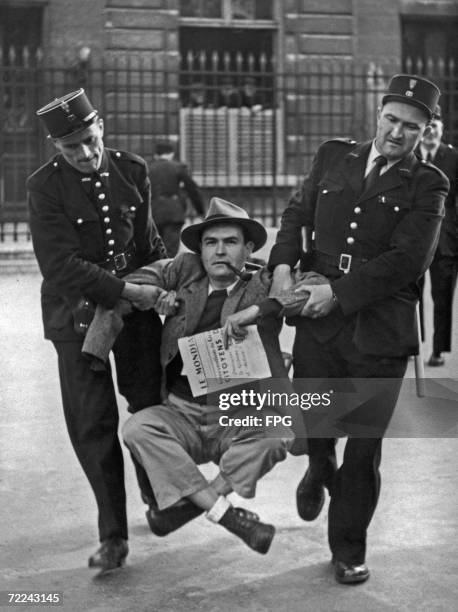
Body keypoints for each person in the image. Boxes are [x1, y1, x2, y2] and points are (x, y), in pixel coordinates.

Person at [268, 74, 449, 583]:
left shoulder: (429, 183)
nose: (396, 133)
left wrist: (340, 295)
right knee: (319, 424)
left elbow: (409, 259)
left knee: (364, 445)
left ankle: (348, 548)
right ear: (378, 113)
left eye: (411, 127)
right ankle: (318, 467)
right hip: (316, 325)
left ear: (425, 131)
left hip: (380, 328)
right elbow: (295, 213)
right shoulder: (333, 156)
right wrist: (282, 264)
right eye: (391, 119)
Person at [27, 88, 168, 571]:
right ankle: (114, 536)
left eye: (90, 140)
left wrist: (166, 284)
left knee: (149, 403)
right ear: (56, 149)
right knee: (94, 424)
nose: (86, 154)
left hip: (135, 314)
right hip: (76, 316)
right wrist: (129, 292)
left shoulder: (132, 170)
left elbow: (149, 245)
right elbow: (60, 266)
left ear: (101, 126)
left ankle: (156, 492)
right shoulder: (44, 187)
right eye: (72, 148)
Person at [121, 198, 293, 554]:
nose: (219, 252)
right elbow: (130, 283)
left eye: (230, 242)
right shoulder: (183, 272)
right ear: (199, 249)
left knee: (277, 435)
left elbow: (303, 291)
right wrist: (156, 296)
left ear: (248, 249)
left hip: (233, 416)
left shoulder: (261, 282)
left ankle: (193, 505)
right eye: (210, 243)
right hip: (181, 412)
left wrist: (263, 306)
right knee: (138, 428)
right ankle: (225, 515)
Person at [417, 105, 458, 366]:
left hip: (446, 241)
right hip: (413, 242)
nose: (431, 133)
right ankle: (412, 344)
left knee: (442, 295)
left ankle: (438, 349)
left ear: (443, 130)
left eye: (436, 128)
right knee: (409, 294)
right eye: (427, 128)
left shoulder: (453, 158)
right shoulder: (409, 156)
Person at [149, 142, 205, 257]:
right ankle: (168, 271)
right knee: (170, 249)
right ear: (171, 154)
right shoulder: (178, 167)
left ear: (156, 155)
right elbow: (192, 190)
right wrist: (200, 211)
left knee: (154, 247)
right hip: (174, 212)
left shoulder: (148, 169)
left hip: (153, 212)